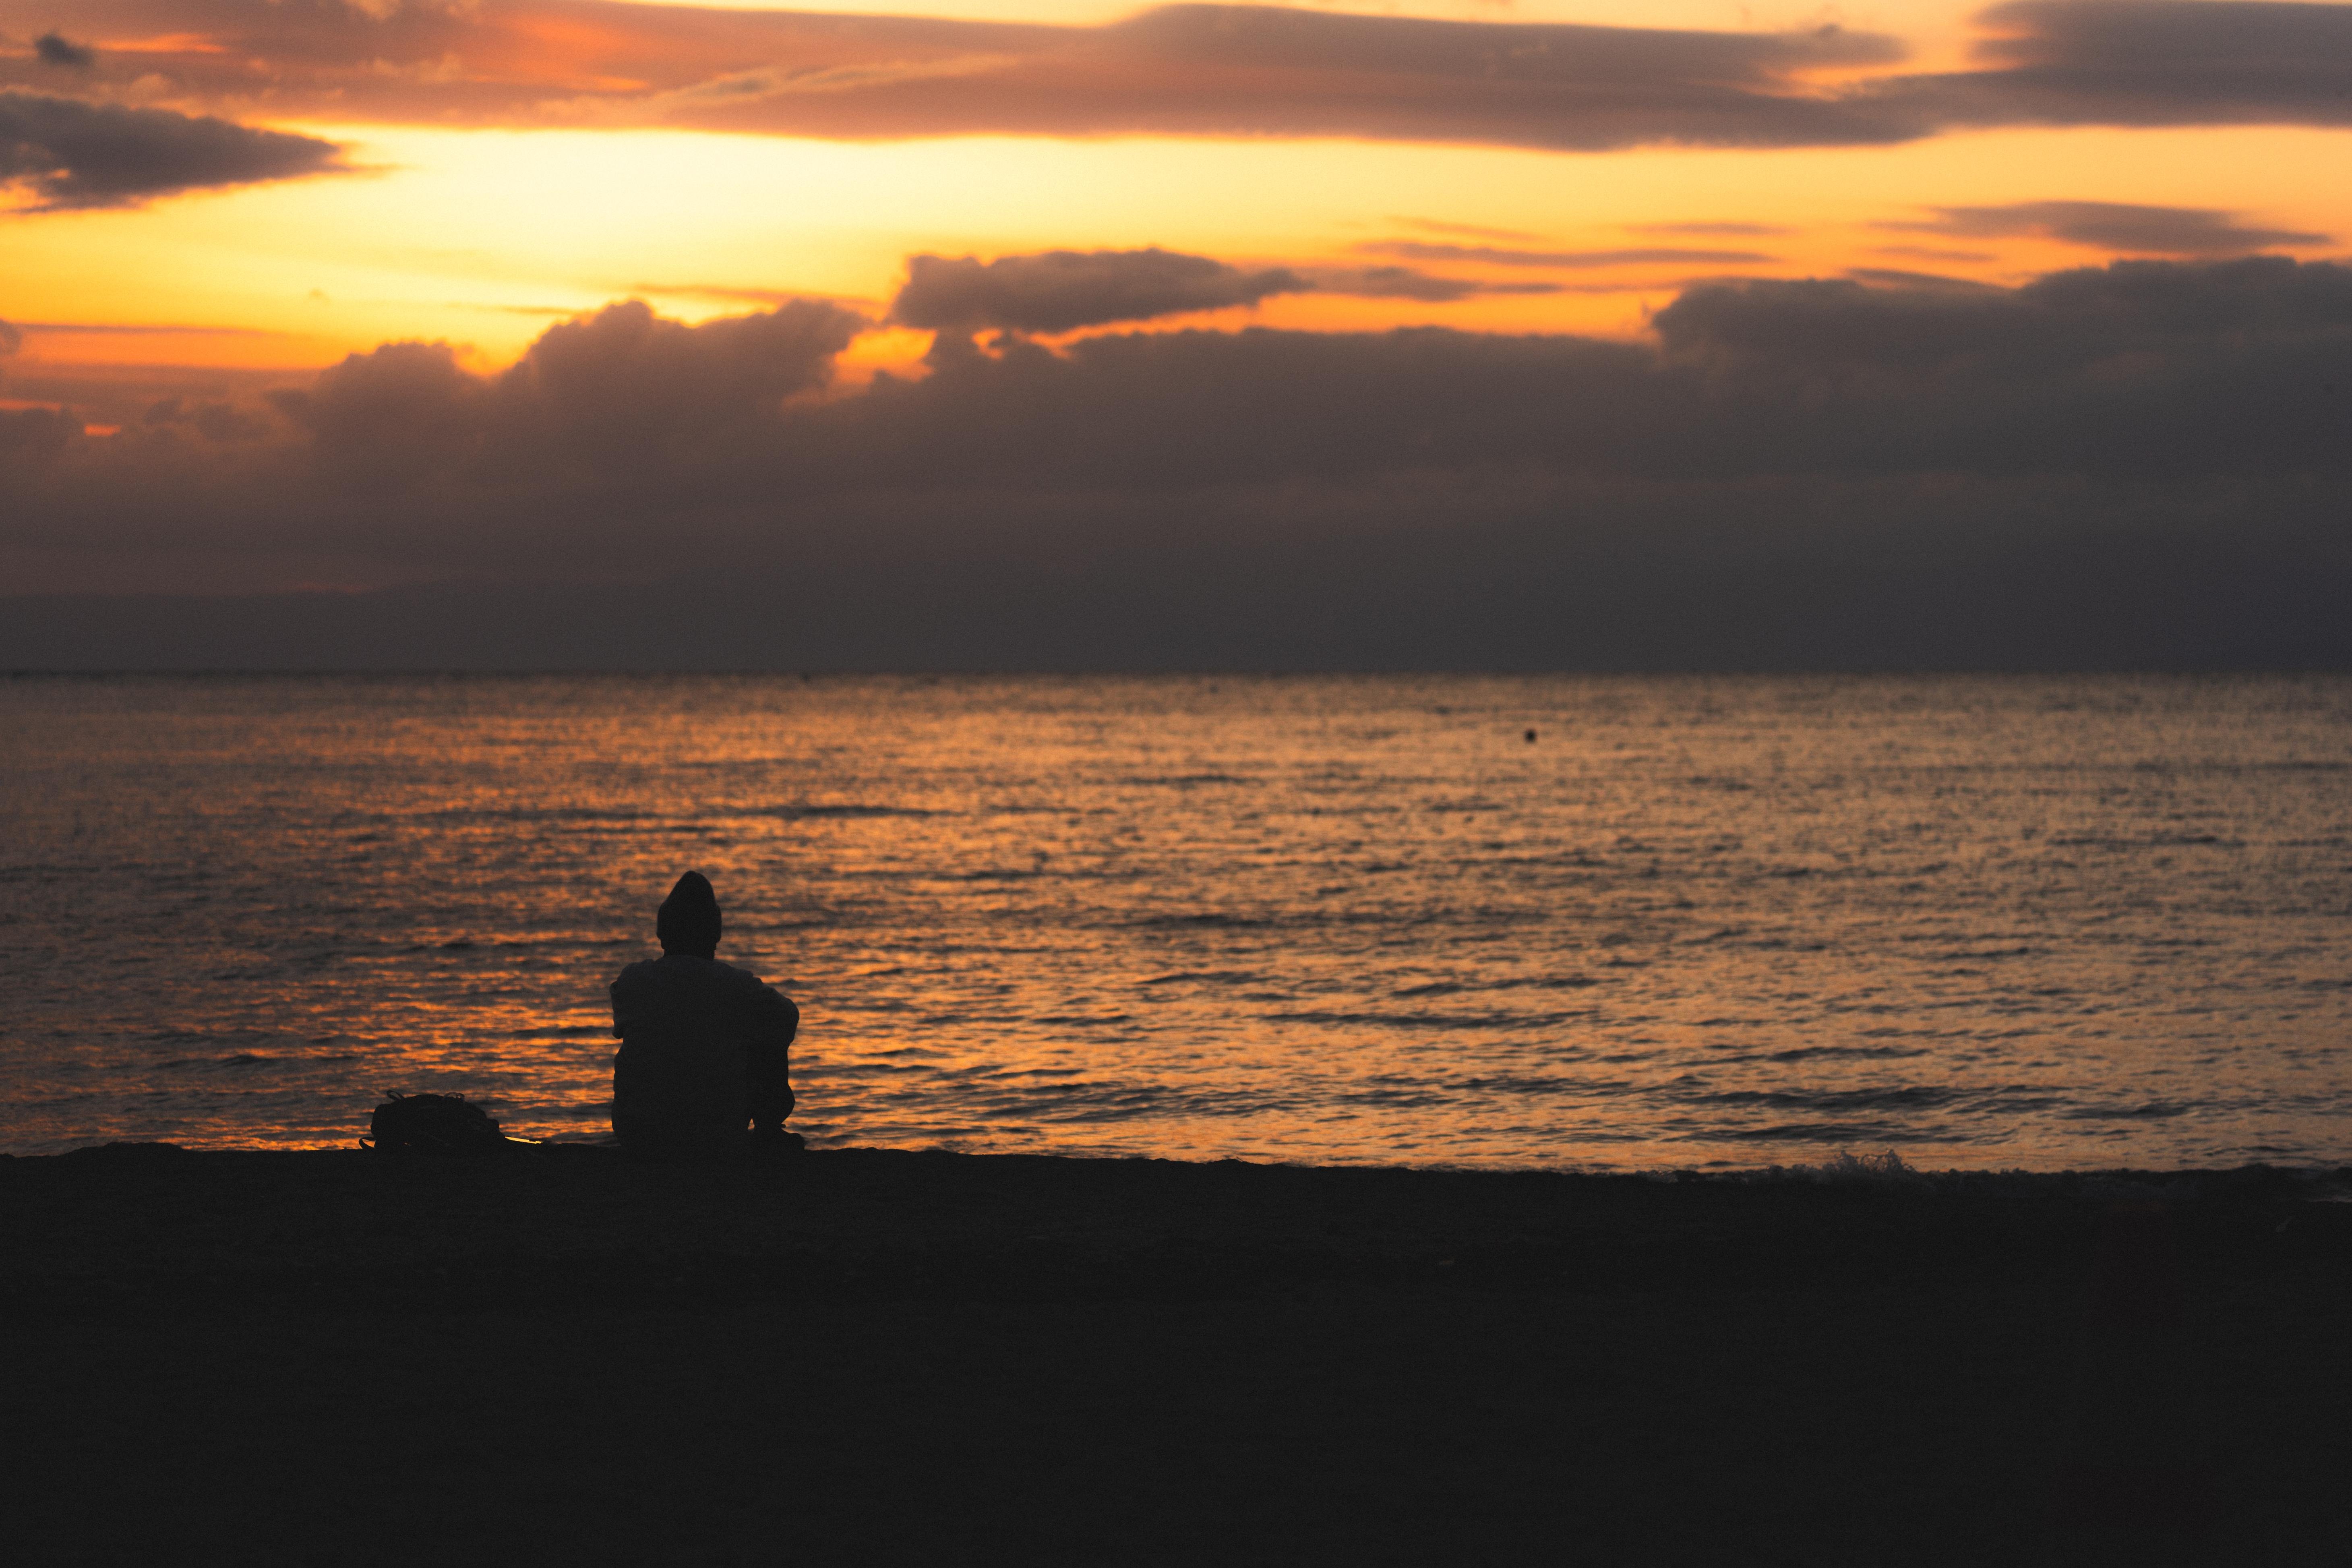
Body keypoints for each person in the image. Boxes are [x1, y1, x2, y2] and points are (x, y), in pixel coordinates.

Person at [609, 871, 800, 1156]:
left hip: (637, 1135)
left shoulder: (631, 982)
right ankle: (768, 1132)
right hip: (715, 1135)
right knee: (766, 1037)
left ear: (662, 931)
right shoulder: (736, 986)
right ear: (716, 932)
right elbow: (787, 1019)